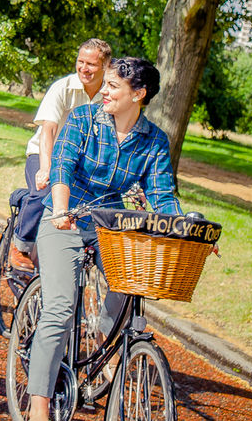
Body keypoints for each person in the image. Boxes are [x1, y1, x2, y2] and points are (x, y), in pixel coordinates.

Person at [25, 57, 181, 421]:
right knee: (61, 309)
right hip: (65, 215)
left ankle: (103, 338)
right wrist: (61, 210)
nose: (104, 91)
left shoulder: (155, 140)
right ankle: (38, 406)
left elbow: (162, 195)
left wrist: (184, 231)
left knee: (129, 287)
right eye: (106, 84)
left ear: (138, 94)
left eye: (113, 86)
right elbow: (62, 165)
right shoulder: (83, 119)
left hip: (108, 222)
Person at [9, 39, 111, 272]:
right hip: (45, 152)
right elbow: (49, 130)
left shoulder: (109, 93)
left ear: (105, 65)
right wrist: (46, 168)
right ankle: (20, 245)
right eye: (80, 62)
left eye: (91, 64)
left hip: (79, 162)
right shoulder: (62, 88)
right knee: (44, 192)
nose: (84, 68)